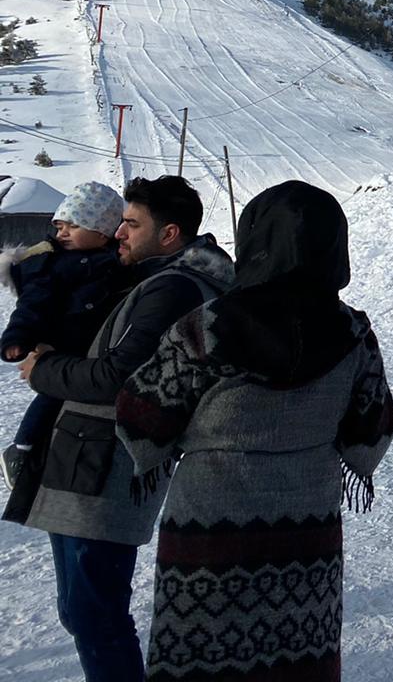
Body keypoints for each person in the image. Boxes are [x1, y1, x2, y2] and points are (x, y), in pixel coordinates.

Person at [115, 181, 393, 680]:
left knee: (200, 658)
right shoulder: (354, 333)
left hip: (208, 532)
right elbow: (370, 432)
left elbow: (144, 417)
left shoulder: (203, 327)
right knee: (298, 660)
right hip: (306, 534)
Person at [14, 176, 239, 677]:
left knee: (97, 614)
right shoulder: (150, 278)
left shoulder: (174, 288)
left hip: (108, 467)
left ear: (169, 233)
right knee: (80, 611)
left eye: (131, 224)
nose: (118, 233)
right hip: (82, 459)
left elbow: (120, 376)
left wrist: (43, 369)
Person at [2, 182, 128, 492]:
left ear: (103, 231)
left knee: (69, 406)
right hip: (61, 344)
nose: (62, 233)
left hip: (93, 348)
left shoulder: (118, 260)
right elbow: (31, 306)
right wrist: (17, 337)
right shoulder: (52, 264)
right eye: (59, 226)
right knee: (51, 396)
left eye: (73, 226)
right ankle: (22, 447)